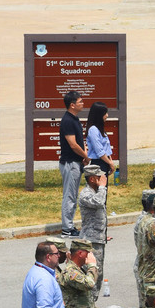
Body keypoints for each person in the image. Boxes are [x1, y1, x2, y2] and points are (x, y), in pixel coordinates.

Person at [59, 91, 88, 237]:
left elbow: (79, 142)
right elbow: (72, 144)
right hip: (70, 164)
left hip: (76, 162)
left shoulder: (75, 119)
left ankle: (69, 226)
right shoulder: (67, 121)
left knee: (73, 195)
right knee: (69, 196)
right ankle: (67, 229)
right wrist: (85, 156)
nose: (83, 103)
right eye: (80, 101)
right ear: (72, 105)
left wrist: (83, 155)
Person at [77, 165, 108, 295]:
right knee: (92, 271)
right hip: (90, 240)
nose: (103, 179)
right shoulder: (86, 194)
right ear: (91, 179)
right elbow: (99, 202)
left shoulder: (95, 191)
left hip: (98, 238)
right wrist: (102, 187)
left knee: (99, 273)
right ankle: (89, 304)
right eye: (99, 177)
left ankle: (92, 303)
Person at [84, 102, 115, 178]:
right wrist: (110, 163)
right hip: (98, 163)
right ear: (98, 115)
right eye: (105, 113)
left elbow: (106, 148)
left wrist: (110, 161)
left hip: (105, 161)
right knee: (100, 188)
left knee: (104, 188)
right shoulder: (93, 130)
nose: (107, 115)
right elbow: (99, 151)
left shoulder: (100, 129)